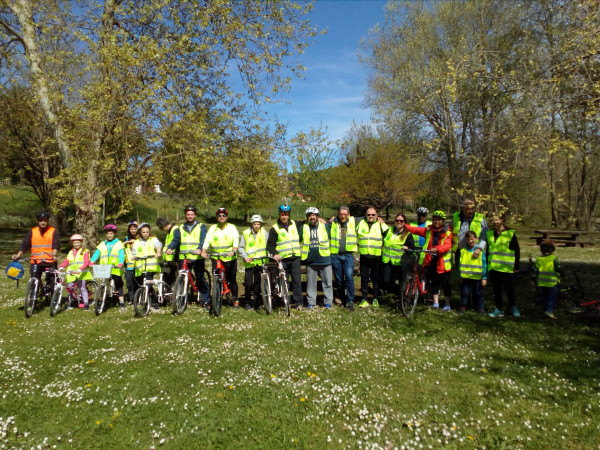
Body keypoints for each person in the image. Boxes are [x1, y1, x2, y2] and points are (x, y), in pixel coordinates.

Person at [404, 210, 453, 311]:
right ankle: (436, 302)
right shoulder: (429, 230)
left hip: (442, 262)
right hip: (431, 260)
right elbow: (416, 230)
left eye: (439, 220)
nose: (436, 222)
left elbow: (447, 246)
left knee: (445, 283)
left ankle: (447, 303)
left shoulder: (447, 232)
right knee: (434, 282)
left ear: (443, 221)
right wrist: (404, 225)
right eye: (435, 219)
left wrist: (437, 249)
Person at [166, 205, 210, 307]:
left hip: (196, 257)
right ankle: (182, 299)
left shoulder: (201, 226)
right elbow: (176, 240)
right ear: (185, 215)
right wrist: (170, 248)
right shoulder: (180, 228)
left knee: (200, 278)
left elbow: (203, 239)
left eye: (192, 214)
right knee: (182, 278)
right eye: (188, 214)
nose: (190, 216)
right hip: (184, 257)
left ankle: (206, 299)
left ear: (195, 215)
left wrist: (199, 249)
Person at [12, 210, 60, 294]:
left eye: (45, 220)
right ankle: (33, 299)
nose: (43, 222)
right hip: (36, 261)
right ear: (38, 221)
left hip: (50, 261)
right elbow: (25, 244)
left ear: (48, 221)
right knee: (34, 280)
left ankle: (53, 299)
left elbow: (56, 245)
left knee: (52, 281)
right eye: (41, 220)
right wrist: (18, 254)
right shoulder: (32, 231)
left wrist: (54, 255)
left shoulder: (53, 231)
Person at [201, 208, 240, 308]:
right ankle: (217, 297)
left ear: (226, 217)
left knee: (232, 279)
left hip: (229, 258)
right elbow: (207, 240)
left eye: (223, 215)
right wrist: (203, 251)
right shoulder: (213, 228)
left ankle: (235, 298)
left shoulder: (232, 227)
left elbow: (236, 239)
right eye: (219, 216)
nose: (221, 217)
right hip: (216, 257)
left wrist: (234, 250)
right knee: (216, 277)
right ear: (217, 217)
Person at [267, 204, 303, 308]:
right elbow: (270, 244)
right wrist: (275, 254)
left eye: (286, 214)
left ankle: (299, 303)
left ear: (289, 215)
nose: (284, 217)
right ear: (279, 215)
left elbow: (308, 221)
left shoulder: (295, 224)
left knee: (297, 281)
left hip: (295, 257)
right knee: (284, 282)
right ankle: (286, 301)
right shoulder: (275, 228)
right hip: (282, 259)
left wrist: (320, 219)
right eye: (282, 214)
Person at [487, 214, 521, 318]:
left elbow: (517, 249)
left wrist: (516, 265)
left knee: (509, 289)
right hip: (494, 267)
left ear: (502, 220)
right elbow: (488, 250)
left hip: (506, 267)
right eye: (493, 220)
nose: (495, 222)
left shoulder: (510, 233)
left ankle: (513, 307)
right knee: (497, 289)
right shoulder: (489, 233)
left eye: (497, 219)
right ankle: (499, 309)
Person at [301, 207, 333, 309]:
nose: (312, 217)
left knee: (327, 282)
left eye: (314, 215)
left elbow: (335, 223)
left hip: (324, 259)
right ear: (307, 217)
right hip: (310, 260)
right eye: (310, 215)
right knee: (311, 283)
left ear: (317, 216)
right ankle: (311, 302)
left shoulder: (324, 226)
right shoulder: (303, 227)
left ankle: (328, 302)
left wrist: (328, 220)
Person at [357, 206, 388, 308]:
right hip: (364, 256)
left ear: (376, 215)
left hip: (376, 257)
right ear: (365, 215)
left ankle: (375, 298)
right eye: (368, 214)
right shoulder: (360, 223)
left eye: (373, 215)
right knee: (364, 278)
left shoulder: (381, 224)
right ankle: (364, 299)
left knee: (375, 279)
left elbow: (390, 235)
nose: (370, 216)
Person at [382, 213, 415, 306]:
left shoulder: (407, 234)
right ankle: (401, 293)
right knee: (386, 281)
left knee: (402, 283)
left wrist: (407, 248)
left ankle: (402, 300)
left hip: (401, 262)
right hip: (388, 261)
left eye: (401, 221)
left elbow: (412, 248)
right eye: (397, 220)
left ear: (405, 222)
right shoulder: (389, 230)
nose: (399, 222)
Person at [91, 224, 126, 309]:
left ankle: (121, 301)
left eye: (111, 233)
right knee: (104, 283)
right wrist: (92, 261)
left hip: (116, 267)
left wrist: (120, 263)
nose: (109, 235)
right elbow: (97, 253)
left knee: (118, 284)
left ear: (114, 234)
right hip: (105, 267)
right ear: (106, 234)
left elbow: (121, 254)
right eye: (108, 233)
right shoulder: (102, 244)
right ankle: (102, 299)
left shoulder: (119, 243)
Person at [329, 206, 358, 311]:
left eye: (345, 214)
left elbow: (367, 217)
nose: (343, 216)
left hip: (348, 256)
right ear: (338, 214)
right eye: (341, 214)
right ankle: (342, 299)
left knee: (349, 278)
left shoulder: (353, 221)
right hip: (336, 256)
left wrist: (378, 218)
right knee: (339, 280)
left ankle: (350, 301)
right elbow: (322, 224)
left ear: (349, 214)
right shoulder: (333, 223)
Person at [239, 214, 269, 311]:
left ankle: (256, 303)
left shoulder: (264, 232)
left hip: (260, 262)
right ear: (252, 224)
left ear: (260, 224)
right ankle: (247, 302)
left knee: (257, 284)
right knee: (248, 284)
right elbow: (241, 247)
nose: (256, 226)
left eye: (258, 224)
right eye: (255, 224)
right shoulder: (245, 233)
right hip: (250, 263)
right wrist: (245, 257)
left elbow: (269, 245)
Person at [456, 230, 487, 315]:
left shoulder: (480, 251)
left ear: (476, 239)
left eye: (472, 239)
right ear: (466, 240)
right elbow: (460, 264)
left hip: (477, 277)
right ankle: (463, 307)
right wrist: (459, 276)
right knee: (465, 293)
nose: (470, 241)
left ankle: (480, 308)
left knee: (478, 293)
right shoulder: (463, 251)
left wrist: (484, 277)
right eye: (468, 239)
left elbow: (484, 264)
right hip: (465, 277)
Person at [58, 234, 93, 310]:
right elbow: (67, 261)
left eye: (78, 242)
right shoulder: (71, 252)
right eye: (74, 243)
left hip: (81, 273)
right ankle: (70, 302)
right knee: (70, 288)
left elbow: (86, 262)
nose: (76, 244)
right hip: (71, 272)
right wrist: (61, 266)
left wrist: (80, 269)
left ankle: (86, 303)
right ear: (72, 243)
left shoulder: (85, 251)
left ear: (81, 243)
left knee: (82, 288)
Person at [132, 222, 162, 308]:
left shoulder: (153, 239)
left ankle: (152, 303)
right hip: (140, 268)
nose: (145, 234)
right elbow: (134, 252)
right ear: (140, 232)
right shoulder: (136, 242)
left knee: (148, 285)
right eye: (143, 232)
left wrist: (158, 252)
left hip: (150, 267)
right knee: (144, 285)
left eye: (147, 232)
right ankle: (151, 300)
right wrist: (133, 257)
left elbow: (158, 245)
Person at [532, 240, 564, 320]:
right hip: (552, 282)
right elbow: (558, 268)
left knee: (544, 297)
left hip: (542, 282)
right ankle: (549, 311)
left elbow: (535, 270)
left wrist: (532, 279)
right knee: (552, 297)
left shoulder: (539, 259)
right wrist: (563, 275)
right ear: (552, 249)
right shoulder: (553, 258)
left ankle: (545, 311)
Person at [156, 217, 178, 286]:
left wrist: (176, 258)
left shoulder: (175, 230)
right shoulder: (170, 232)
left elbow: (178, 243)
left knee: (175, 277)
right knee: (168, 277)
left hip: (174, 258)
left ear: (162, 227)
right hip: (169, 258)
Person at [123, 221, 138, 304]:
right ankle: (131, 299)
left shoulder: (140, 238)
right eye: (131, 229)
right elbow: (121, 246)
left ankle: (138, 297)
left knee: (137, 282)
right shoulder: (126, 238)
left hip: (138, 263)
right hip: (128, 263)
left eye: (135, 229)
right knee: (129, 283)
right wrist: (126, 242)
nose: (133, 230)